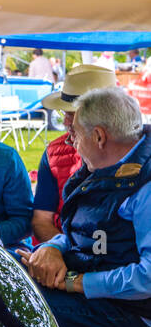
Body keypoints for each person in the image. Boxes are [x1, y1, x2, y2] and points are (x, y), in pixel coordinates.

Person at [19, 86, 151, 327]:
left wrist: (77, 283)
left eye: (75, 134)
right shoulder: (106, 165)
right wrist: (52, 248)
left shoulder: (143, 185)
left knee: (16, 306)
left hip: (134, 316)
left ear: (99, 136)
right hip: (106, 300)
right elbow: (81, 231)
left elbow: (147, 278)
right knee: (3, 272)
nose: (71, 142)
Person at [32, 64, 119, 244]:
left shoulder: (134, 155)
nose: (65, 121)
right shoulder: (54, 152)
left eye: (73, 114)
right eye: (64, 113)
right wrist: (61, 249)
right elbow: (41, 219)